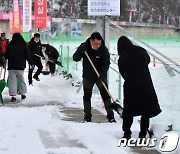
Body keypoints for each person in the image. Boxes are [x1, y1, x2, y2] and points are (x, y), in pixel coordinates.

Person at [117, 36, 162, 139]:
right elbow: (147, 60)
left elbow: (123, 73)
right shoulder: (141, 50)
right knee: (145, 110)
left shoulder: (122, 58)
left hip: (131, 86)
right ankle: (142, 133)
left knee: (128, 111)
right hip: (145, 84)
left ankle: (127, 133)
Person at [73, 32, 116, 123]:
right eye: (96, 44)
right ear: (91, 41)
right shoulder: (85, 47)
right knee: (87, 96)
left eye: (99, 44)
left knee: (106, 96)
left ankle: (110, 115)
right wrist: (80, 51)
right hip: (88, 76)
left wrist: (102, 74)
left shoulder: (103, 49)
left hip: (100, 76)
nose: (97, 46)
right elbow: (75, 58)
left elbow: (106, 63)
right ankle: (87, 116)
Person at [4, 33, 33, 102]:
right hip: (20, 66)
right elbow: (27, 56)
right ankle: (23, 94)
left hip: (11, 66)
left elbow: (6, 56)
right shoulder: (23, 46)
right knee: (21, 80)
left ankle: (13, 96)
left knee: (12, 81)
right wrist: (31, 63)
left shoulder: (10, 45)